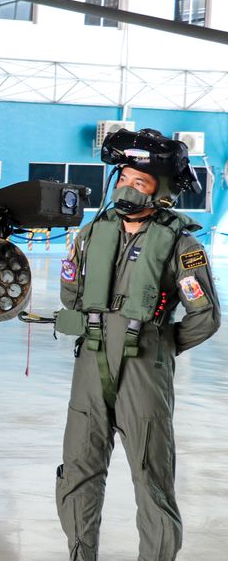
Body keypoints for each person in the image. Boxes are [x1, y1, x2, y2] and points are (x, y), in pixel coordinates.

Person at [55, 128, 219, 560]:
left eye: (140, 182)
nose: (128, 187)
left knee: (151, 475)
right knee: (79, 469)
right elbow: (70, 296)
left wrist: (164, 343)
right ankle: (79, 552)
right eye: (124, 177)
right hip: (90, 364)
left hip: (145, 370)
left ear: (161, 191)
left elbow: (206, 316)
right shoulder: (90, 235)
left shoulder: (184, 247)